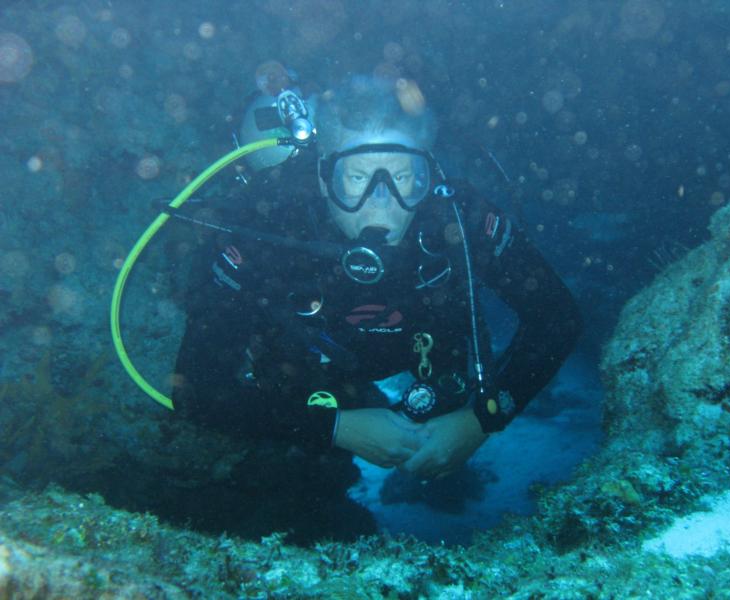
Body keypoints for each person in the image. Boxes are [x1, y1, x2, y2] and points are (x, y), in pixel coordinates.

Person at [172, 75, 581, 541]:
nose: (382, 205)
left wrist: (482, 418)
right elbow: (196, 390)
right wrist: (335, 427)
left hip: (426, 369)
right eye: (359, 177)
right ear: (324, 176)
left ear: (428, 174)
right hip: (306, 381)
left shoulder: (458, 216)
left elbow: (558, 318)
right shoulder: (264, 223)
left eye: (405, 177)